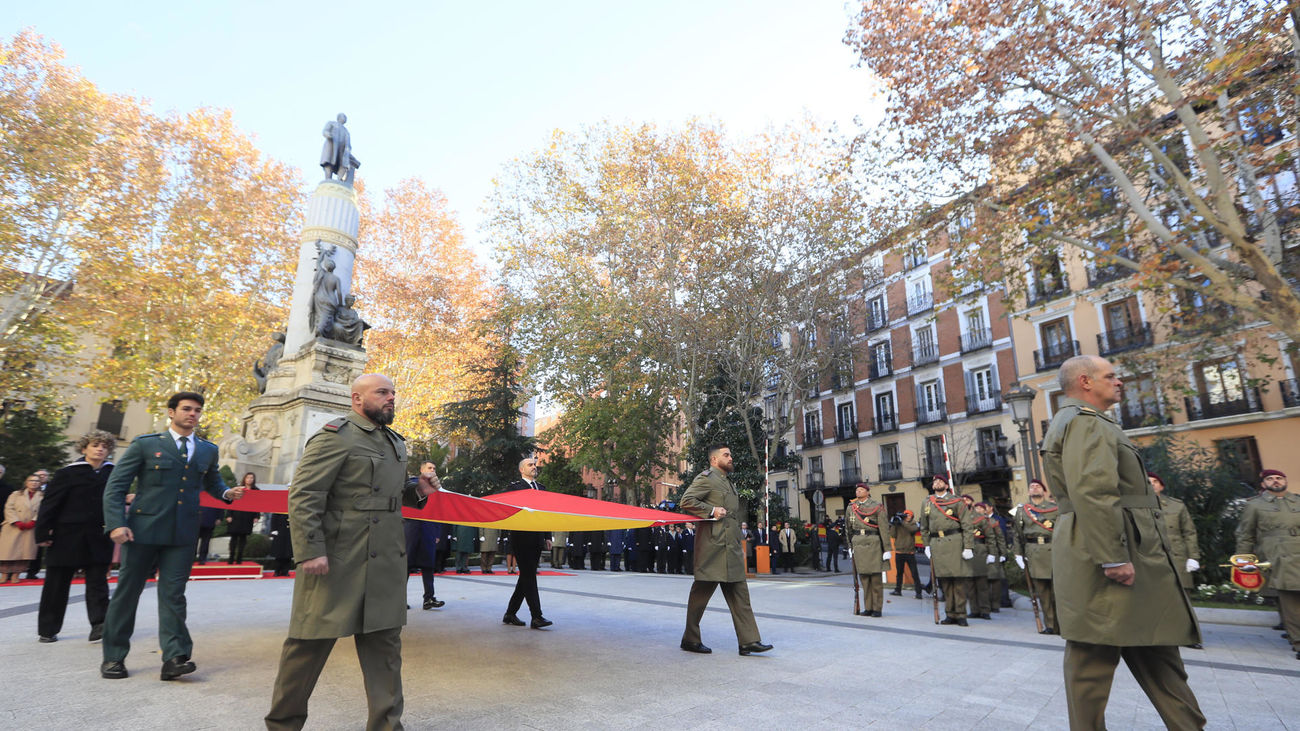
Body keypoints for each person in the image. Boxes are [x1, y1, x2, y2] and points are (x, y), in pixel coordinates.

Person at [1041, 356, 1205, 730]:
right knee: (1093, 656)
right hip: (1111, 551)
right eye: (1111, 376)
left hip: (1125, 548)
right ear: (1085, 381)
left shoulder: (1087, 421)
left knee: (1155, 647)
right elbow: (1094, 492)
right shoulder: (1085, 422)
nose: (1120, 382)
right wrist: (1112, 557)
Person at [265, 374, 436, 730]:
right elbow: (305, 495)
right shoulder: (335, 436)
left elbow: (386, 495)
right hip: (338, 559)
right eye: (382, 392)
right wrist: (311, 550)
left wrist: (417, 490)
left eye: (393, 392)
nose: (391, 398)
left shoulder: (395, 442)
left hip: (385, 561)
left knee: (385, 651)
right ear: (357, 398)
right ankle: (283, 725)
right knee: (307, 646)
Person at [100, 391, 248, 681]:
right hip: (142, 531)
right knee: (127, 594)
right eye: (186, 409)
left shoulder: (207, 450)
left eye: (197, 410)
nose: (192, 414)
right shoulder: (146, 444)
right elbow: (116, 486)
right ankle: (114, 656)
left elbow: (213, 481)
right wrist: (116, 524)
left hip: (182, 533)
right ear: (171, 412)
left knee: (174, 595)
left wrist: (226, 493)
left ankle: (175, 657)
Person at [679, 445, 772, 656]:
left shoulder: (728, 482)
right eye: (726, 455)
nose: (731, 458)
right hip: (712, 548)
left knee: (740, 594)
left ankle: (749, 641)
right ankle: (690, 639)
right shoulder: (706, 478)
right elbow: (686, 500)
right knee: (700, 596)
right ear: (714, 459)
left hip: (731, 547)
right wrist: (711, 510)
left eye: (731, 454)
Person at [34, 431, 116, 643]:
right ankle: (48, 629)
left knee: (98, 583)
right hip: (66, 536)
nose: (100, 449)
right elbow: (50, 504)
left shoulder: (113, 473)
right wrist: (42, 532)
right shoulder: (67, 473)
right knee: (57, 584)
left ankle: (100, 625)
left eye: (104, 446)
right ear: (84, 448)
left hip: (99, 535)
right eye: (95, 445)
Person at [1237, 469, 1300, 661]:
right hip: (1278, 556)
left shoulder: (1298, 501)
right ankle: (1298, 641)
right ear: (1264, 484)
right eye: (1270, 479)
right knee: (1289, 600)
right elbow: (1245, 534)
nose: (1275, 481)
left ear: (1285, 481)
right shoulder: (1254, 505)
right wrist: (1243, 559)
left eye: (1279, 478)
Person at [501, 457, 552, 629]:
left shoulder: (542, 489)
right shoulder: (514, 488)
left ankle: (510, 613)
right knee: (529, 575)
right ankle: (536, 616)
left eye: (534, 465)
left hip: (537, 537)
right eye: (530, 465)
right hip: (521, 537)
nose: (534, 467)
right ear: (521, 470)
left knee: (526, 576)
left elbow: (545, 514)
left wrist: (547, 536)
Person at [920, 474, 975, 625]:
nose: (937, 483)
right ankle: (950, 614)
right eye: (935, 481)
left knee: (958, 580)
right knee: (944, 581)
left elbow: (967, 525)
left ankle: (961, 614)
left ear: (946, 485)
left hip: (954, 542)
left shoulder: (956, 501)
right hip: (937, 543)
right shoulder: (927, 502)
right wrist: (926, 545)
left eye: (940, 481)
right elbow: (924, 526)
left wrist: (968, 546)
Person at [1014, 478, 1060, 634]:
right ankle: (1050, 625)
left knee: (1057, 592)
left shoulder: (1054, 509)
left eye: (1038, 486)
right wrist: (1018, 554)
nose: (1034, 488)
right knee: (1042, 592)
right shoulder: (1022, 511)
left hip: (1053, 550)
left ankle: (1061, 624)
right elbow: (1017, 534)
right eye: (1031, 486)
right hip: (1033, 552)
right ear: (1028, 492)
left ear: (1044, 491)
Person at [1148, 473, 1200, 596]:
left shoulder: (1176, 506)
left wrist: (1193, 557)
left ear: (1162, 486)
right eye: (1148, 482)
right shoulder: (1135, 507)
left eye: (1155, 481)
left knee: (1181, 595)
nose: (1152, 484)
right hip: (1149, 559)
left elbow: (1189, 532)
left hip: (1176, 558)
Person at [405, 463, 445, 609]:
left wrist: (437, 532)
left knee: (428, 564)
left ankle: (429, 598)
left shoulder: (437, 489)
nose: (432, 470)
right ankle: (399, 600)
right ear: (421, 470)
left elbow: (438, 511)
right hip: (410, 529)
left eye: (434, 468)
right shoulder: (411, 484)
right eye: (429, 468)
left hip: (428, 530)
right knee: (406, 565)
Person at [847, 483, 889, 617]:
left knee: (876, 579)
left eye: (861, 490)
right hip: (858, 543)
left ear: (867, 492)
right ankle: (868, 607)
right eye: (857, 490)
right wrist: (849, 546)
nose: (858, 492)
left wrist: (887, 548)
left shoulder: (876, 506)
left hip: (873, 542)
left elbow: (884, 528)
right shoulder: (851, 507)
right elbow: (848, 529)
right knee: (864, 579)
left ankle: (877, 608)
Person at [0, 473, 44, 582]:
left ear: (40, 483)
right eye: (31, 480)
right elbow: (8, 508)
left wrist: (34, 521)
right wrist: (16, 521)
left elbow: (43, 510)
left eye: (37, 481)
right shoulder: (16, 494)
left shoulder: (43, 496)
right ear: (26, 482)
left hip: (30, 528)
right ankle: (4, 574)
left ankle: (16, 574)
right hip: (13, 526)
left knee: (24, 553)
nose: (34, 483)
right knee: (7, 552)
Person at [969, 502, 1003, 620]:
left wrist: (993, 553)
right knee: (970, 584)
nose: (977, 510)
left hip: (981, 551)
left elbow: (991, 538)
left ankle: (985, 610)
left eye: (980, 508)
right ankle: (974, 610)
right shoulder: (963, 519)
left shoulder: (984, 520)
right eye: (976, 508)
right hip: (967, 552)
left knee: (982, 583)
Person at [225, 472, 261, 564]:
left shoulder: (256, 491)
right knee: (234, 537)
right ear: (244, 479)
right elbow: (231, 502)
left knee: (243, 538)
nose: (249, 479)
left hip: (248, 517)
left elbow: (258, 505)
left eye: (251, 478)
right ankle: (231, 557)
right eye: (248, 477)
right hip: (236, 516)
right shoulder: (238, 489)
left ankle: (239, 558)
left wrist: (257, 516)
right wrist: (229, 515)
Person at [889, 509, 923, 598]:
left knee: (914, 573)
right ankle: (898, 590)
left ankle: (918, 593)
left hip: (909, 553)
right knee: (899, 573)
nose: (907, 517)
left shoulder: (913, 524)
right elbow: (893, 535)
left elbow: (912, 530)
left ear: (912, 516)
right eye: (906, 515)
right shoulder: (899, 524)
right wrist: (893, 524)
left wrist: (902, 523)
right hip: (899, 552)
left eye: (909, 515)